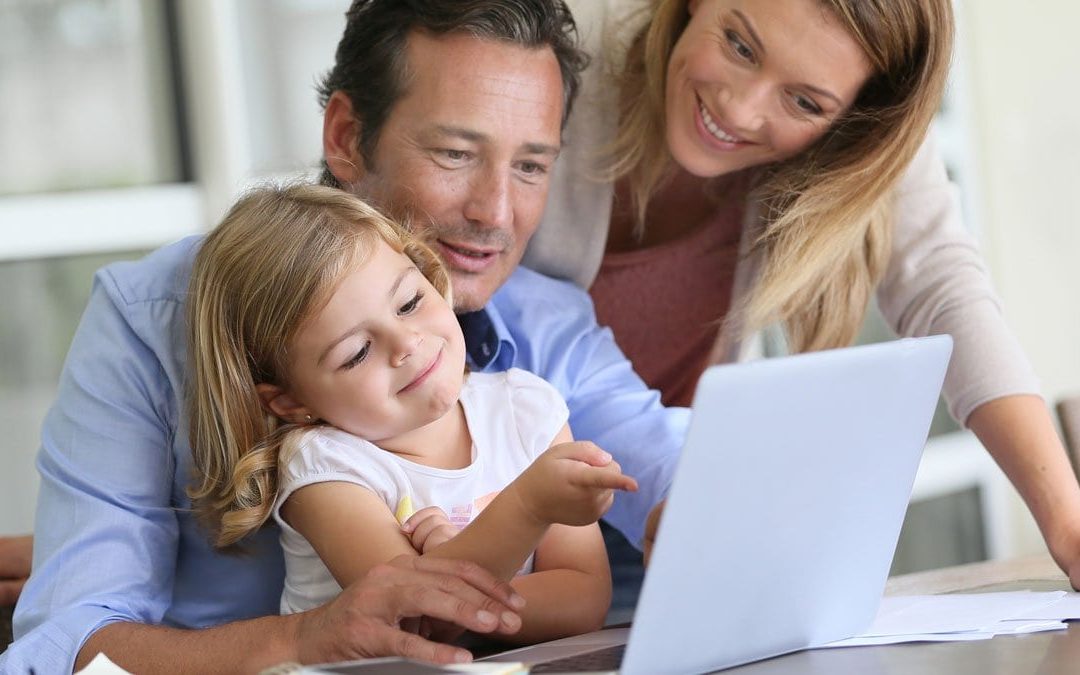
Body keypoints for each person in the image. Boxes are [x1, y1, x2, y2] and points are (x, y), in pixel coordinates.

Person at [2, 1, 687, 672]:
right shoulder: (150, 320)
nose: (496, 212)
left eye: (531, 165)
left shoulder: (545, 332)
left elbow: (675, 475)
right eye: (455, 153)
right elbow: (68, 648)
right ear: (345, 137)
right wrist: (303, 637)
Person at [524, 0, 1080, 584]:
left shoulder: (866, 126)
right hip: (488, 510)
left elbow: (942, 285)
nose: (738, 108)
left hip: (665, 510)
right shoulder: (560, 45)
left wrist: (1067, 523)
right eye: (739, 45)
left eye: (805, 102)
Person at [188, 183, 636, 644]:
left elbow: (583, 604)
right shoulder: (324, 467)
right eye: (357, 353)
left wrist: (458, 573)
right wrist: (527, 508)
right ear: (291, 402)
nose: (406, 345)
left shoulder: (525, 409)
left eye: (409, 303)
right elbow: (413, 620)